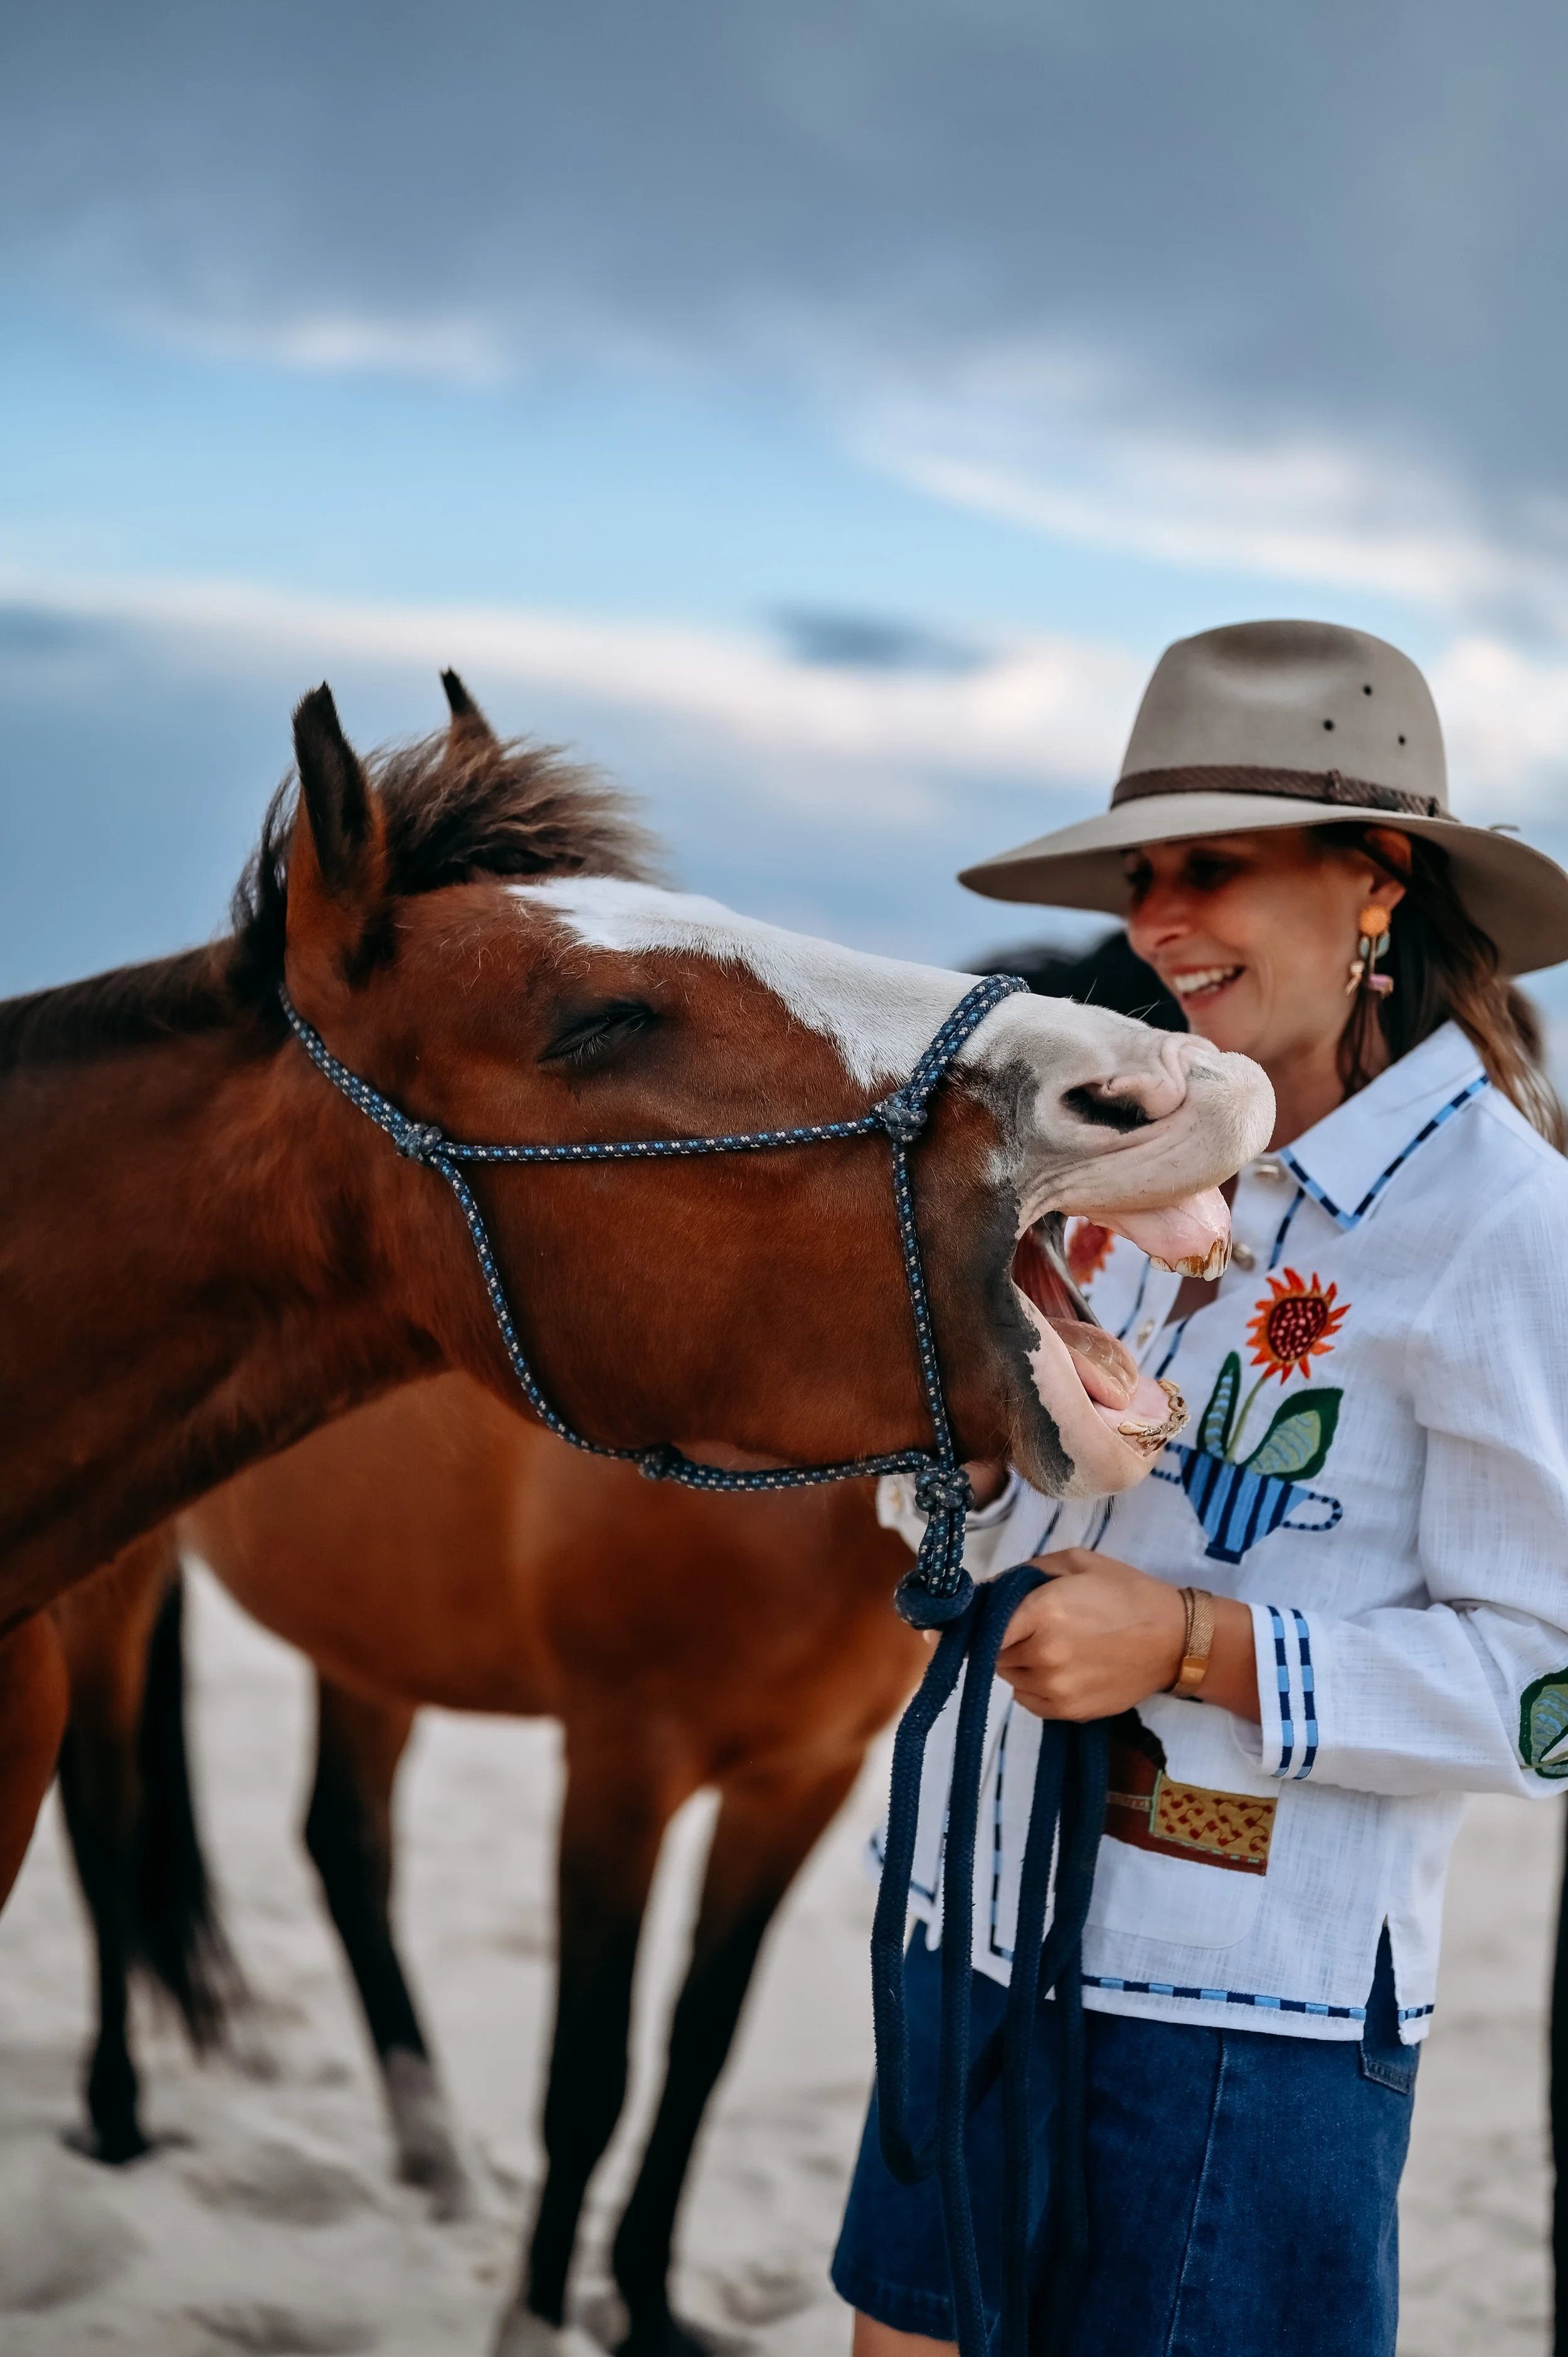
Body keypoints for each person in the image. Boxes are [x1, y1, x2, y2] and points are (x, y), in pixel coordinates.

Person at [832, 619, 1568, 2357]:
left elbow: (1549, 1696)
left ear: (1374, 884)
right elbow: (1007, 1518)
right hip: (961, 1923)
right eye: (1143, 870)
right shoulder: (1111, 1149)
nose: (1156, 918)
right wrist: (946, 1438)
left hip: (1240, 2025)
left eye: (1212, 867)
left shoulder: (1502, 1227)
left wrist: (1191, 1643)